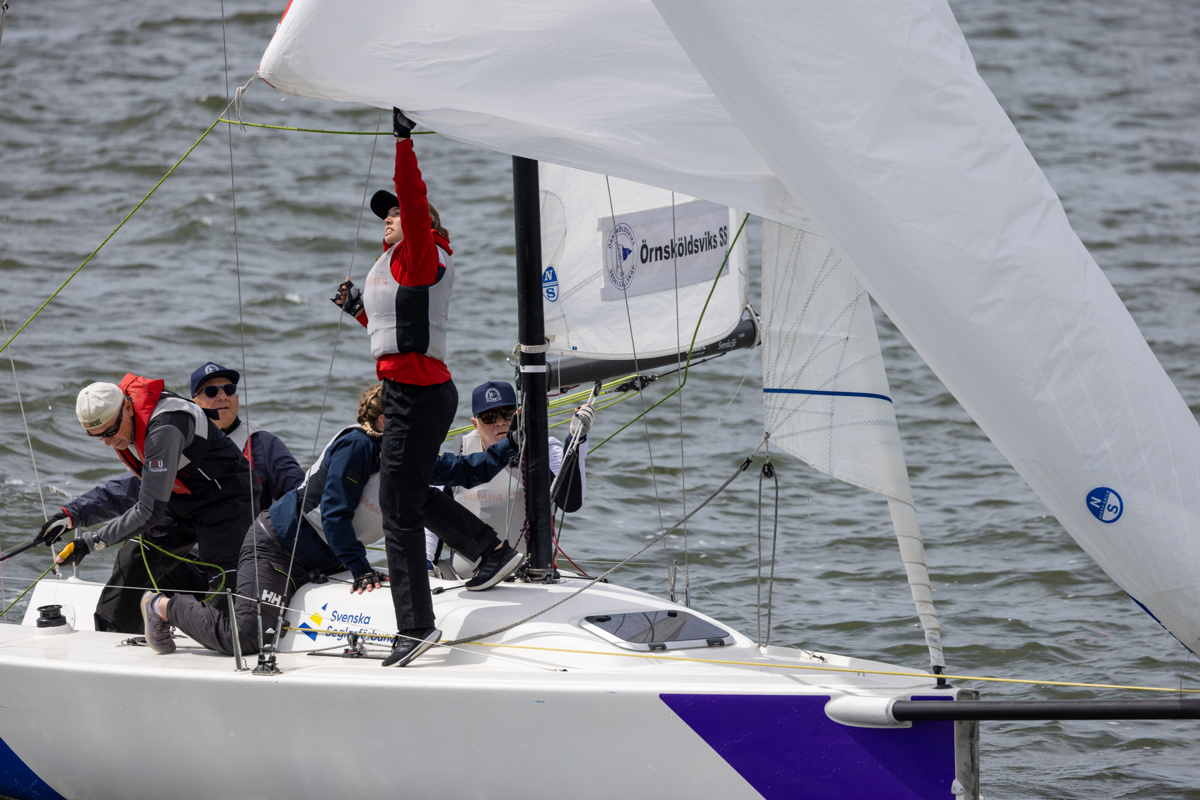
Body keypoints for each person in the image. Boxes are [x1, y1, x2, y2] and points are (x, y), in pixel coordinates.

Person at [332, 108, 523, 667]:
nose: (387, 222)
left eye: (394, 215)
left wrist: (403, 142)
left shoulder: (419, 252)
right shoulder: (400, 266)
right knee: (410, 495)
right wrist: (360, 312)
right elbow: (402, 335)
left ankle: (415, 626)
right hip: (419, 389)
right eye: (385, 217)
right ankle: (490, 553)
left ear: (420, 223)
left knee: (397, 507)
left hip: (415, 396)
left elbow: (413, 201)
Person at [149, 384, 519, 659]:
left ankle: (491, 553)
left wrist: (512, 444)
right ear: (384, 422)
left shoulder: (405, 457)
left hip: (327, 558)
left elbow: (465, 470)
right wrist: (361, 569)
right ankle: (160, 605)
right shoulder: (355, 447)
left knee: (420, 493)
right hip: (277, 548)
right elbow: (334, 513)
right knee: (246, 637)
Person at [35, 374, 260, 633]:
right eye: (96, 435)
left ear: (127, 407)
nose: (107, 441)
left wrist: (90, 542)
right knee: (133, 559)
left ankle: (220, 640)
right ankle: (111, 638)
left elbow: (149, 510)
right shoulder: (126, 426)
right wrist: (72, 514)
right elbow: (133, 486)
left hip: (227, 499)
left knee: (223, 582)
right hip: (181, 498)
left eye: (109, 432)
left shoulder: (164, 429)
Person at [428, 381, 592, 578]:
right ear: (475, 424)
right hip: (462, 579)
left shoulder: (545, 448)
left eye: (507, 414)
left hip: (531, 577)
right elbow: (430, 523)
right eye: (489, 417)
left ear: (519, 415)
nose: (500, 422)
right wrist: (424, 563)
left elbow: (570, 503)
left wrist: (576, 441)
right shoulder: (457, 458)